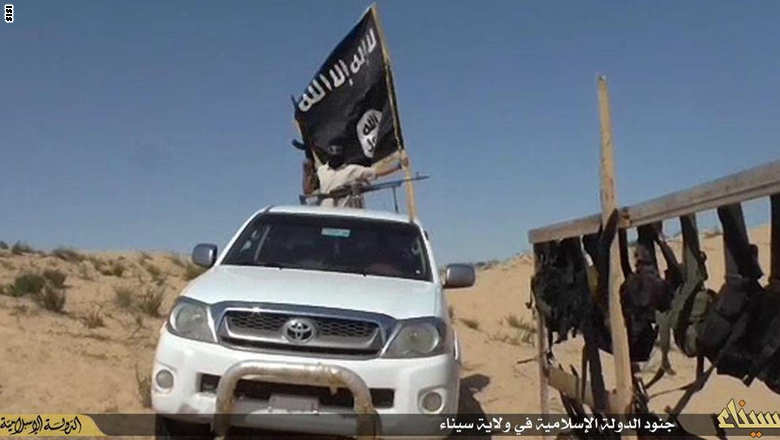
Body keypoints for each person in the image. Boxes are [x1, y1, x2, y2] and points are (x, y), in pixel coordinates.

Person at [317, 144, 408, 208]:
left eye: (337, 158)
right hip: (326, 215)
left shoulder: (352, 170)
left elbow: (376, 172)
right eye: (333, 158)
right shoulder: (321, 171)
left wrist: (398, 166)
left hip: (346, 216)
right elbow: (310, 188)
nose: (335, 160)